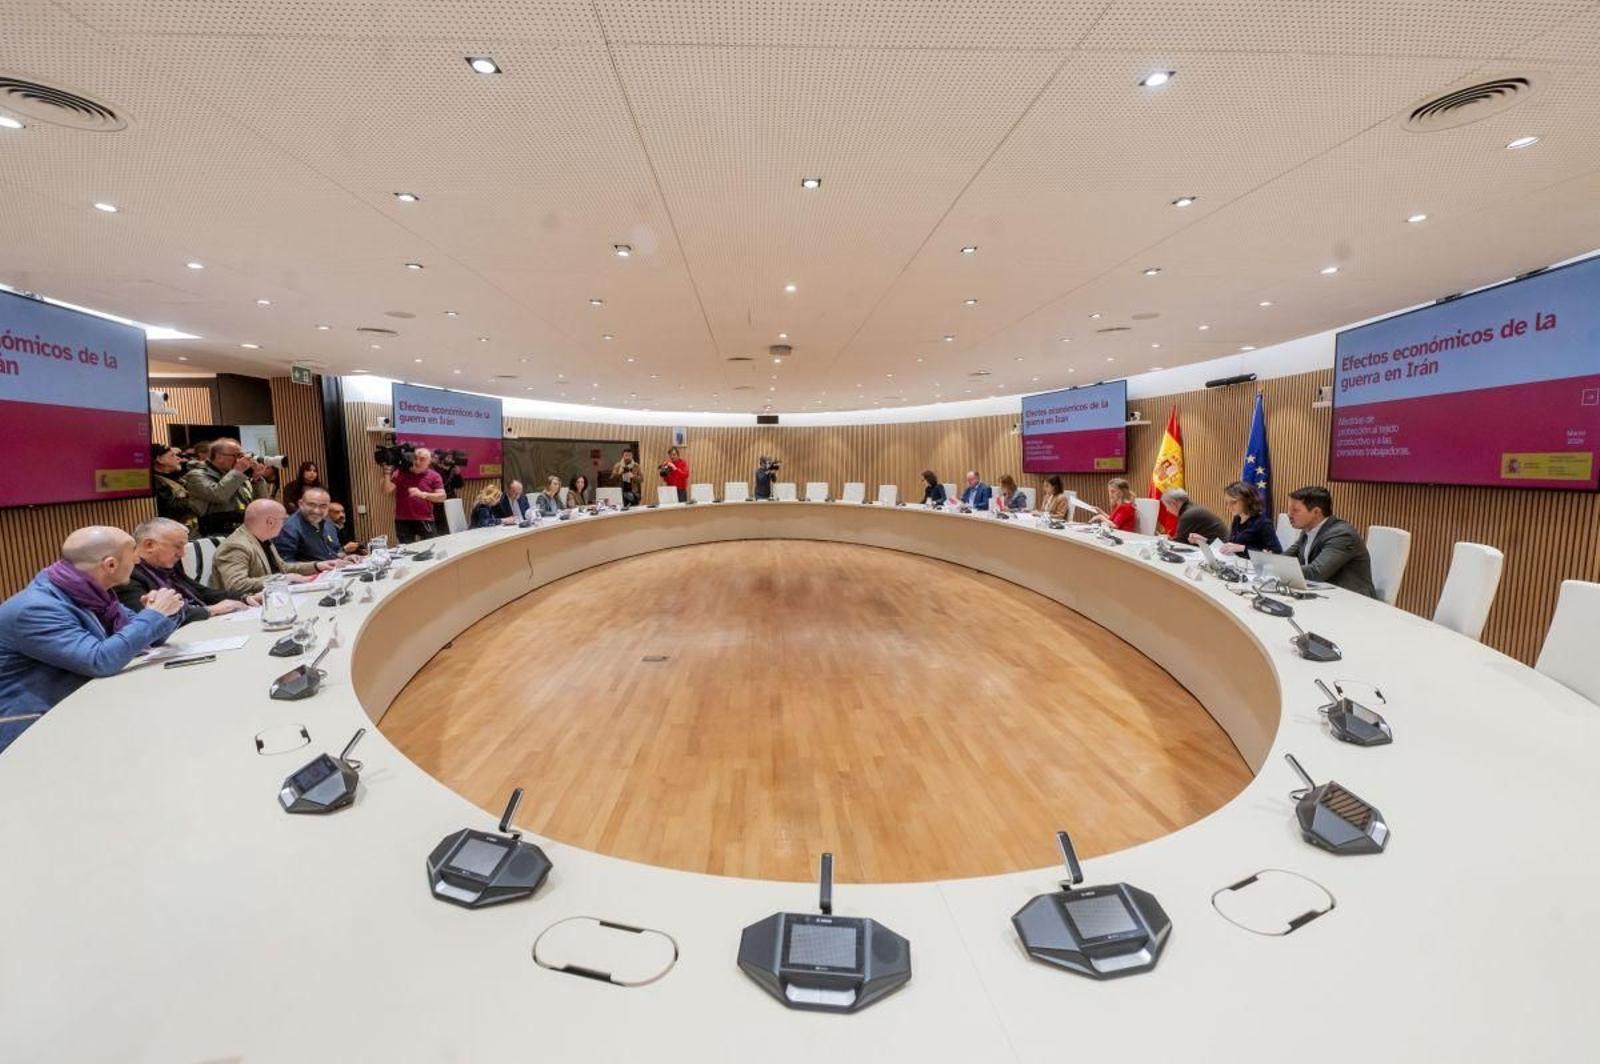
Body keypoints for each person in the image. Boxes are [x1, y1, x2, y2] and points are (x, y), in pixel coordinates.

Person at [0, 527, 184, 753]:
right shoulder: (36, 609)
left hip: (79, 708)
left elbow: (148, 638)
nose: (137, 559)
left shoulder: (90, 592)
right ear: (110, 565)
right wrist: (153, 616)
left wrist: (163, 612)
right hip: (30, 730)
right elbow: (99, 660)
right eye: (132, 553)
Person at [118, 517, 258, 627]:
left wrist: (244, 597)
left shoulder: (167, 564)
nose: (183, 554)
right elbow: (149, 617)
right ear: (150, 545)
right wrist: (211, 610)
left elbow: (201, 591)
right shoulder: (127, 575)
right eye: (178, 547)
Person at [211, 499, 344, 596]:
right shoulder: (236, 546)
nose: (285, 525)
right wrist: (281, 579)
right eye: (283, 521)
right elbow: (236, 586)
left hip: (272, 598)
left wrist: (317, 566)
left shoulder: (264, 538)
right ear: (270, 522)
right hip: (248, 608)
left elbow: (284, 568)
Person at [1283, 486, 1377, 598]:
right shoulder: (1307, 530)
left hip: (1353, 600)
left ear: (1316, 512)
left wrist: (1276, 567)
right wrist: (1271, 562)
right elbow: (1285, 559)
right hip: (1325, 594)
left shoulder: (1341, 534)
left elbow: (1316, 573)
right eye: (1289, 510)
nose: (1289, 515)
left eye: (1295, 510)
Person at [183, 438, 255, 535]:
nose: (240, 460)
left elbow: (258, 503)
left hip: (242, 530)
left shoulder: (235, 475)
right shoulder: (195, 475)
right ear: (219, 457)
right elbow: (218, 495)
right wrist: (238, 471)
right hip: (213, 533)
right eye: (237, 455)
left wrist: (257, 479)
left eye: (241, 455)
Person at [381, 446, 446, 543]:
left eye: (422, 459)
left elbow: (442, 497)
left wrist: (422, 494)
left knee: (430, 548)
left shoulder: (434, 476)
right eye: (415, 458)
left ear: (429, 461)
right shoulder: (400, 473)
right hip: (403, 520)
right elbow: (385, 491)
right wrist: (386, 472)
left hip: (425, 518)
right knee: (406, 551)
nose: (417, 462)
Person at [1204, 481, 1281, 556]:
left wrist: (1242, 548)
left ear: (1247, 501)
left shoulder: (1263, 523)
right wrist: (1205, 540)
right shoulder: (1237, 519)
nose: (1229, 507)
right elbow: (1231, 545)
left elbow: (1277, 553)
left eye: (1234, 502)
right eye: (1227, 503)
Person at [272, 487, 346, 563]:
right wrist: (317, 567)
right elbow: (285, 563)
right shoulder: (287, 528)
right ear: (300, 504)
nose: (317, 510)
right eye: (312, 505)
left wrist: (345, 557)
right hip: (310, 574)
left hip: (335, 571)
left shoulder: (328, 525)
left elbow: (336, 550)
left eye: (323, 506)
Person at [151, 444, 198, 533]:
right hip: (175, 532)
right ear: (160, 460)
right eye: (172, 455)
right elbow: (171, 507)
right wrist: (199, 499)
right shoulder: (156, 482)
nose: (179, 459)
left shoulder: (179, 477)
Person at [1162, 488, 1228, 544]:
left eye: (1167, 506)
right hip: (1218, 545)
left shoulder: (1188, 514)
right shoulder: (1191, 508)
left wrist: (1165, 541)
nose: (1167, 510)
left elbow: (1179, 543)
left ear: (1174, 503)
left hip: (1220, 550)